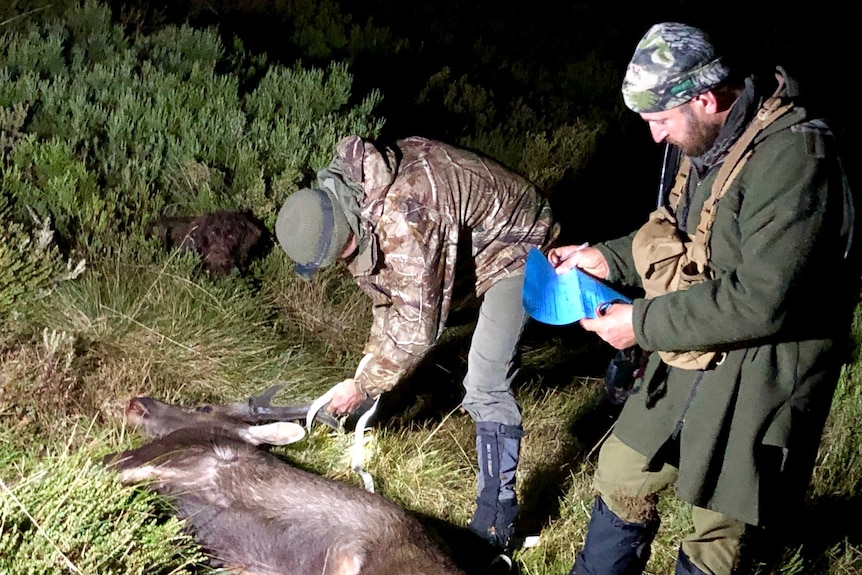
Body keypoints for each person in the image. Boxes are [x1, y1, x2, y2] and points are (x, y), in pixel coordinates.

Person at [548, 22, 857, 575]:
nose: (655, 136)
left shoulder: (796, 158)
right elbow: (691, 241)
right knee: (622, 471)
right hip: (692, 352)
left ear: (706, 98)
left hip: (762, 375)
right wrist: (606, 258)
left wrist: (641, 324)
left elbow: (762, 301)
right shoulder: (712, 139)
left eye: (660, 120)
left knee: (718, 534)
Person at [275, 135, 554, 549]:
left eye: (339, 256)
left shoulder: (407, 215)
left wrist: (366, 385)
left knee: (484, 380)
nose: (341, 265)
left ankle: (496, 524)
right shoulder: (349, 201)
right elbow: (387, 301)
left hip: (519, 244)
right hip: (469, 242)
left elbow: (418, 325)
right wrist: (364, 373)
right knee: (409, 350)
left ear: (345, 232)